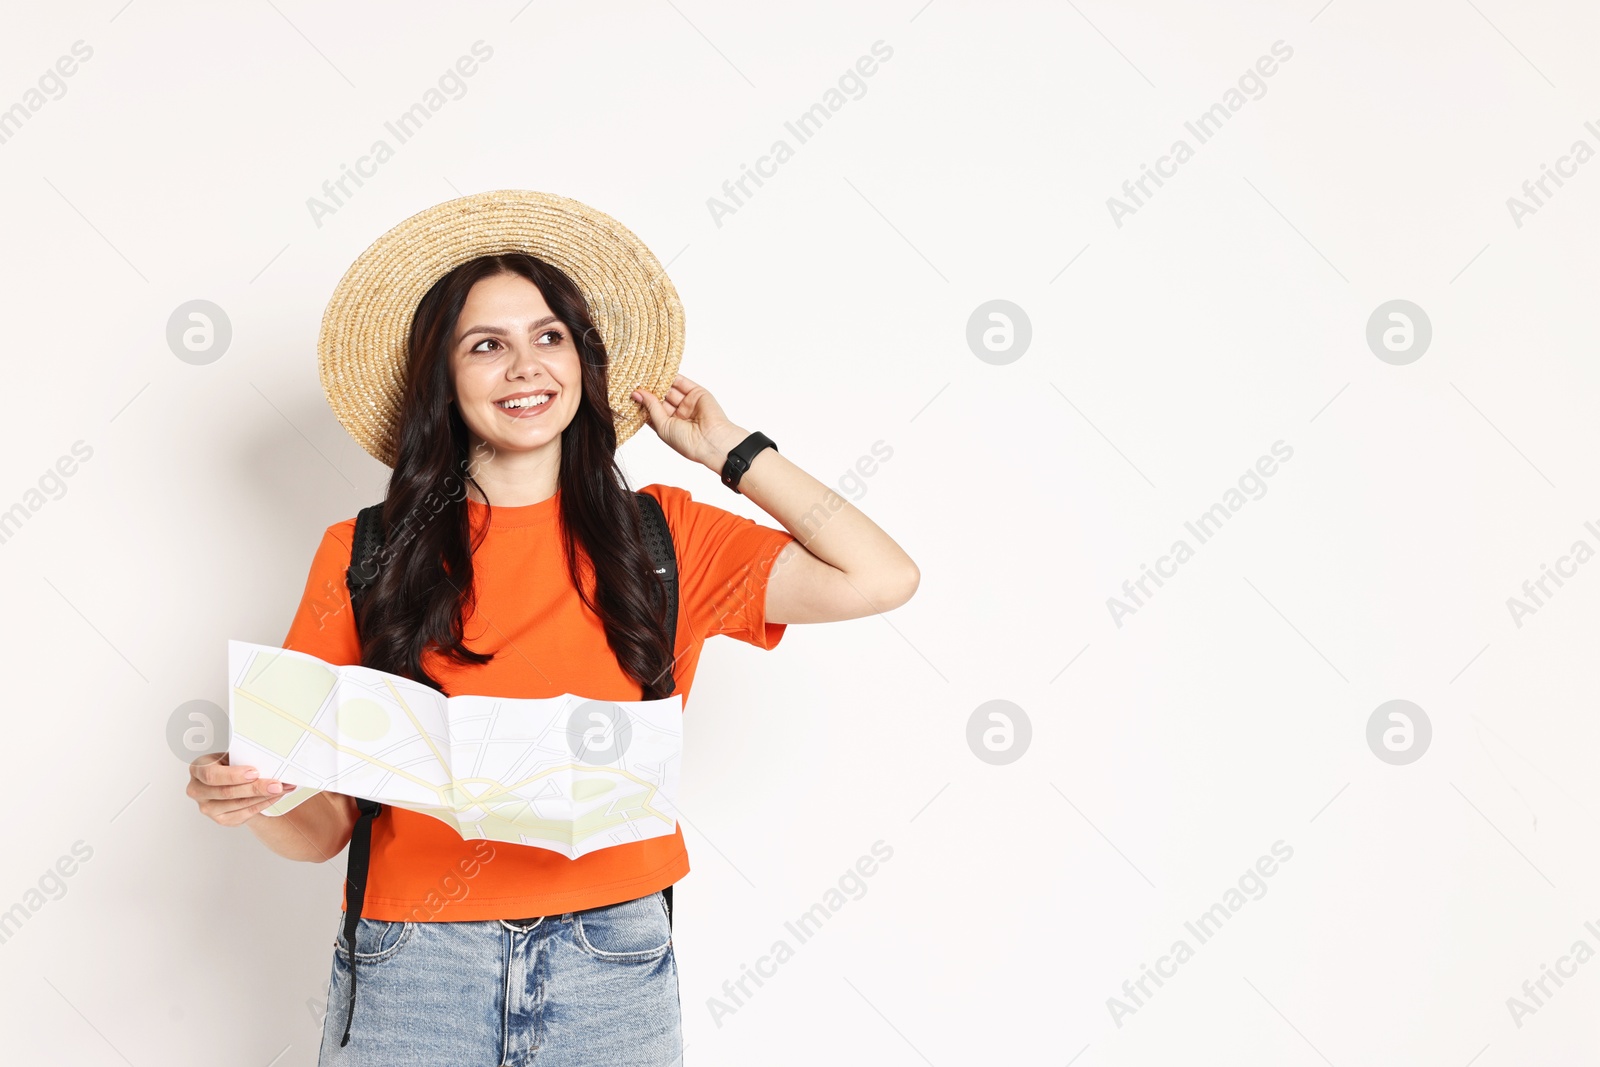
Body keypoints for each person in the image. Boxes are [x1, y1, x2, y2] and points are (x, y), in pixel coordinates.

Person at [185, 190, 919, 1065]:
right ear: (445, 381)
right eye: (486, 345)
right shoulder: (367, 550)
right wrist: (250, 804)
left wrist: (731, 450)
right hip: (416, 964)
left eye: (549, 337)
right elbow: (324, 828)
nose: (524, 367)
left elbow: (881, 575)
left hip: (610, 960)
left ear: (583, 361)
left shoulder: (667, 537)